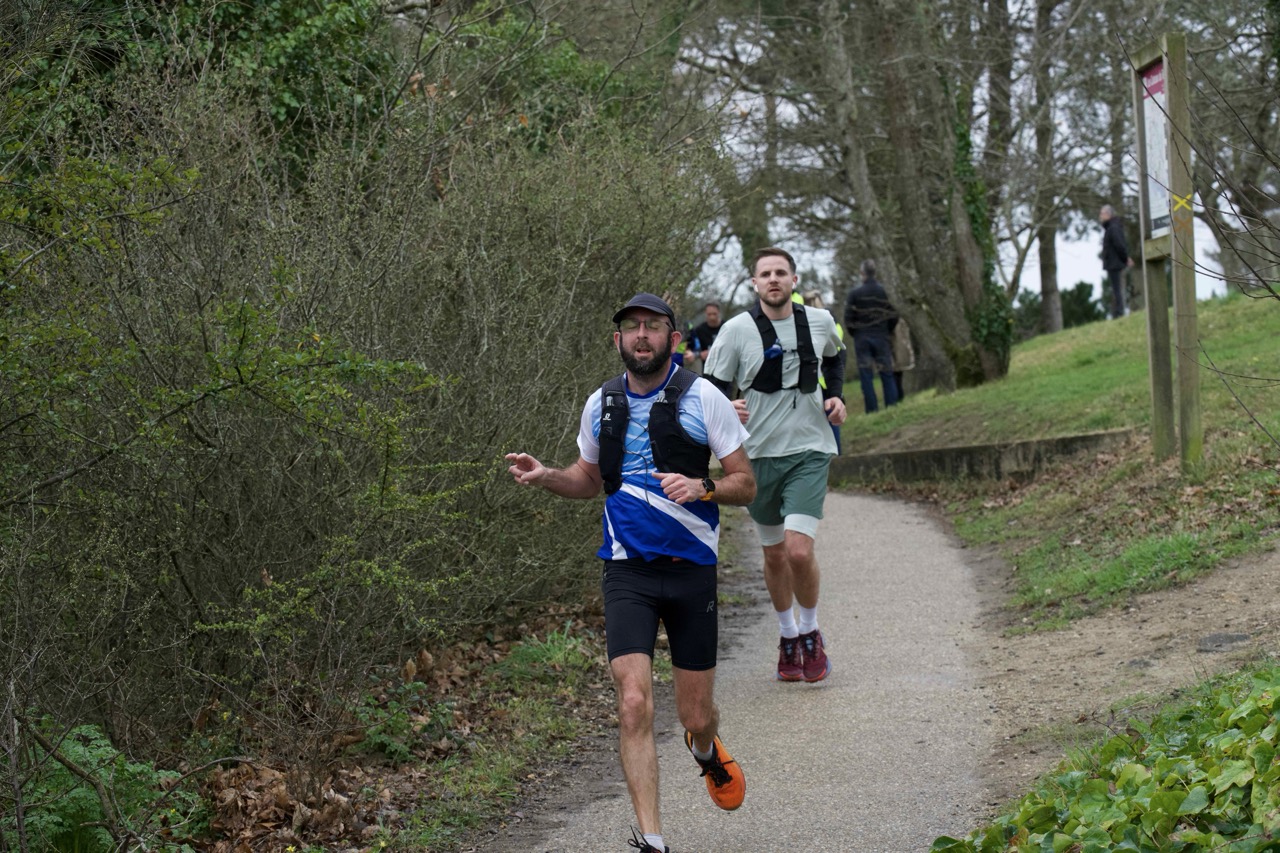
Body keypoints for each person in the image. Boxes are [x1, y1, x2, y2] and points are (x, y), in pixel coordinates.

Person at [506, 293, 755, 853]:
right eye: (632, 327)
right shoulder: (602, 403)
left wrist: (704, 486)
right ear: (618, 340)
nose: (642, 335)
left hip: (691, 570)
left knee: (696, 714)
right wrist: (547, 476)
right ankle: (652, 839)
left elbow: (746, 483)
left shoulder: (704, 398)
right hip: (627, 572)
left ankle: (706, 749)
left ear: (673, 338)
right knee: (634, 701)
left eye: (653, 326)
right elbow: (588, 479)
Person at [703, 248, 847, 683]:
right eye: (765, 273)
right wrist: (726, 406)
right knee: (774, 553)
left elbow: (836, 356)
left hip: (809, 449)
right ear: (754, 283)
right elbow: (708, 389)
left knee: (798, 550)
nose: (773, 279)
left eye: (780, 272)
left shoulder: (819, 322)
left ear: (794, 280)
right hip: (757, 457)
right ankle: (787, 635)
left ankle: (811, 631)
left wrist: (835, 396)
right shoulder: (735, 330)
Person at [843, 259, 899, 413]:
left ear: (862, 273)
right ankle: (891, 406)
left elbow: (848, 319)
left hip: (862, 338)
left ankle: (872, 409)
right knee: (887, 373)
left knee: (866, 375)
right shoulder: (884, 292)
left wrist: (856, 332)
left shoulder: (854, 294)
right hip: (881, 336)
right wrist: (887, 330)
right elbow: (894, 314)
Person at [802, 289, 847, 454]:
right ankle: (836, 455)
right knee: (832, 418)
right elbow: (838, 351)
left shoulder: (808, 322)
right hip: (827, 380)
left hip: (815, 381)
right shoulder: (831, 321)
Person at [1100, 204, 1135, 319]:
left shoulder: (1113, 228)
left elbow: (1119, 245)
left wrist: (1125, 258)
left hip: (1114, 263)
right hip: (1113, 262)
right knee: (1116, 288)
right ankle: (1117, 311)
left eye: (1102, 213)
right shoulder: (1111, 227)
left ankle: (1119, 312)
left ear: (1108, 214)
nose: (1100, 216)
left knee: (1117, 288)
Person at [689, 301, 723, 372]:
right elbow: (691, 350)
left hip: (725, 370)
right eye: (709, 314)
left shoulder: (727, 328)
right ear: (705, 313)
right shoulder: (699, 330)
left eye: (714, 314)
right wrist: (699, 354)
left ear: (719, 312)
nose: (712, 317)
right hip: (708, 370)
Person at [892, 316, 914, 401]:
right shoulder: (901, 321)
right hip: (900, 351)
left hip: (895, 351)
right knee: (898, 375)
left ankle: (898, 398)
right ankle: (899, 397)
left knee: (895, 376)